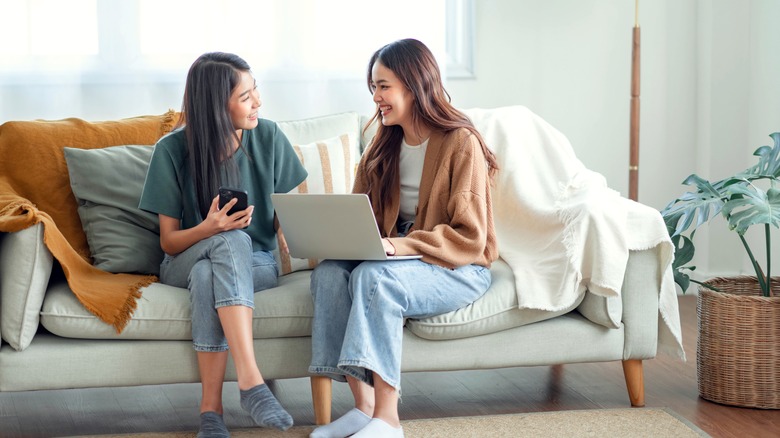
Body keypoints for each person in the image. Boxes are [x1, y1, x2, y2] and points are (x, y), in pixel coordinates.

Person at [308, 39, 500, 438]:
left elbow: (471, 236)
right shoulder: (383, 143)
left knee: (374, 278)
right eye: (373, 87)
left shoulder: (460, 142)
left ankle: (388, 419)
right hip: (401, 258)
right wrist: (337, 238)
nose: (376, 97)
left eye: (383, 86)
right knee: (329, 272)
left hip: (458, 265)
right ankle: (362, 409)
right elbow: (360, 217)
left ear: (414, 86)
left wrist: (400, 246)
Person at [139, 52, 307, 437]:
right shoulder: (171, 150)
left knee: (208, 273)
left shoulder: (269, 136)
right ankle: (250, 381)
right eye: (246, 97)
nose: (258, 102)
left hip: (257, 263)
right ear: (217, 105)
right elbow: (169, 242)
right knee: (223, 243)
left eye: (256, 91)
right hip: (183, 258)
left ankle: (211, 413)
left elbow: (290, 217)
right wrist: (209, 227)